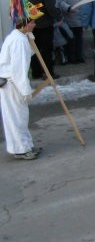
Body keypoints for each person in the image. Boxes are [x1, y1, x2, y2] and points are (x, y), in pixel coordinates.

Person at [0, 17, 41, 160]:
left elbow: (28, 54)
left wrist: (30, 37)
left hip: (12, 82)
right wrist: (25, 90)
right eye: (32, 22)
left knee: (19, 116)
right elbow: (19, 69)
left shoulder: (18, 37)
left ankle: (25, 145)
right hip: (13, 83)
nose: (35, 24)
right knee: (17, 117)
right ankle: (21, 148)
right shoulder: (18, 41)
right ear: (25, 24)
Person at [25, 0, 61, 80]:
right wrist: (59, 17)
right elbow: (50, 6)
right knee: (46, 49)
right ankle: (48, 73)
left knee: (35, 49)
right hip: (44, 23)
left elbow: (27, 5)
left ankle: (36, 72)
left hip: (31, 23)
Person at [56, 0, 85, 64]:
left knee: (79, 39)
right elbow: (61, 2)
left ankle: (80, 56)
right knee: (71, 39)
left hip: (80, 17)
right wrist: (68, 8)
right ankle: (72, 58)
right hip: (70, 17)